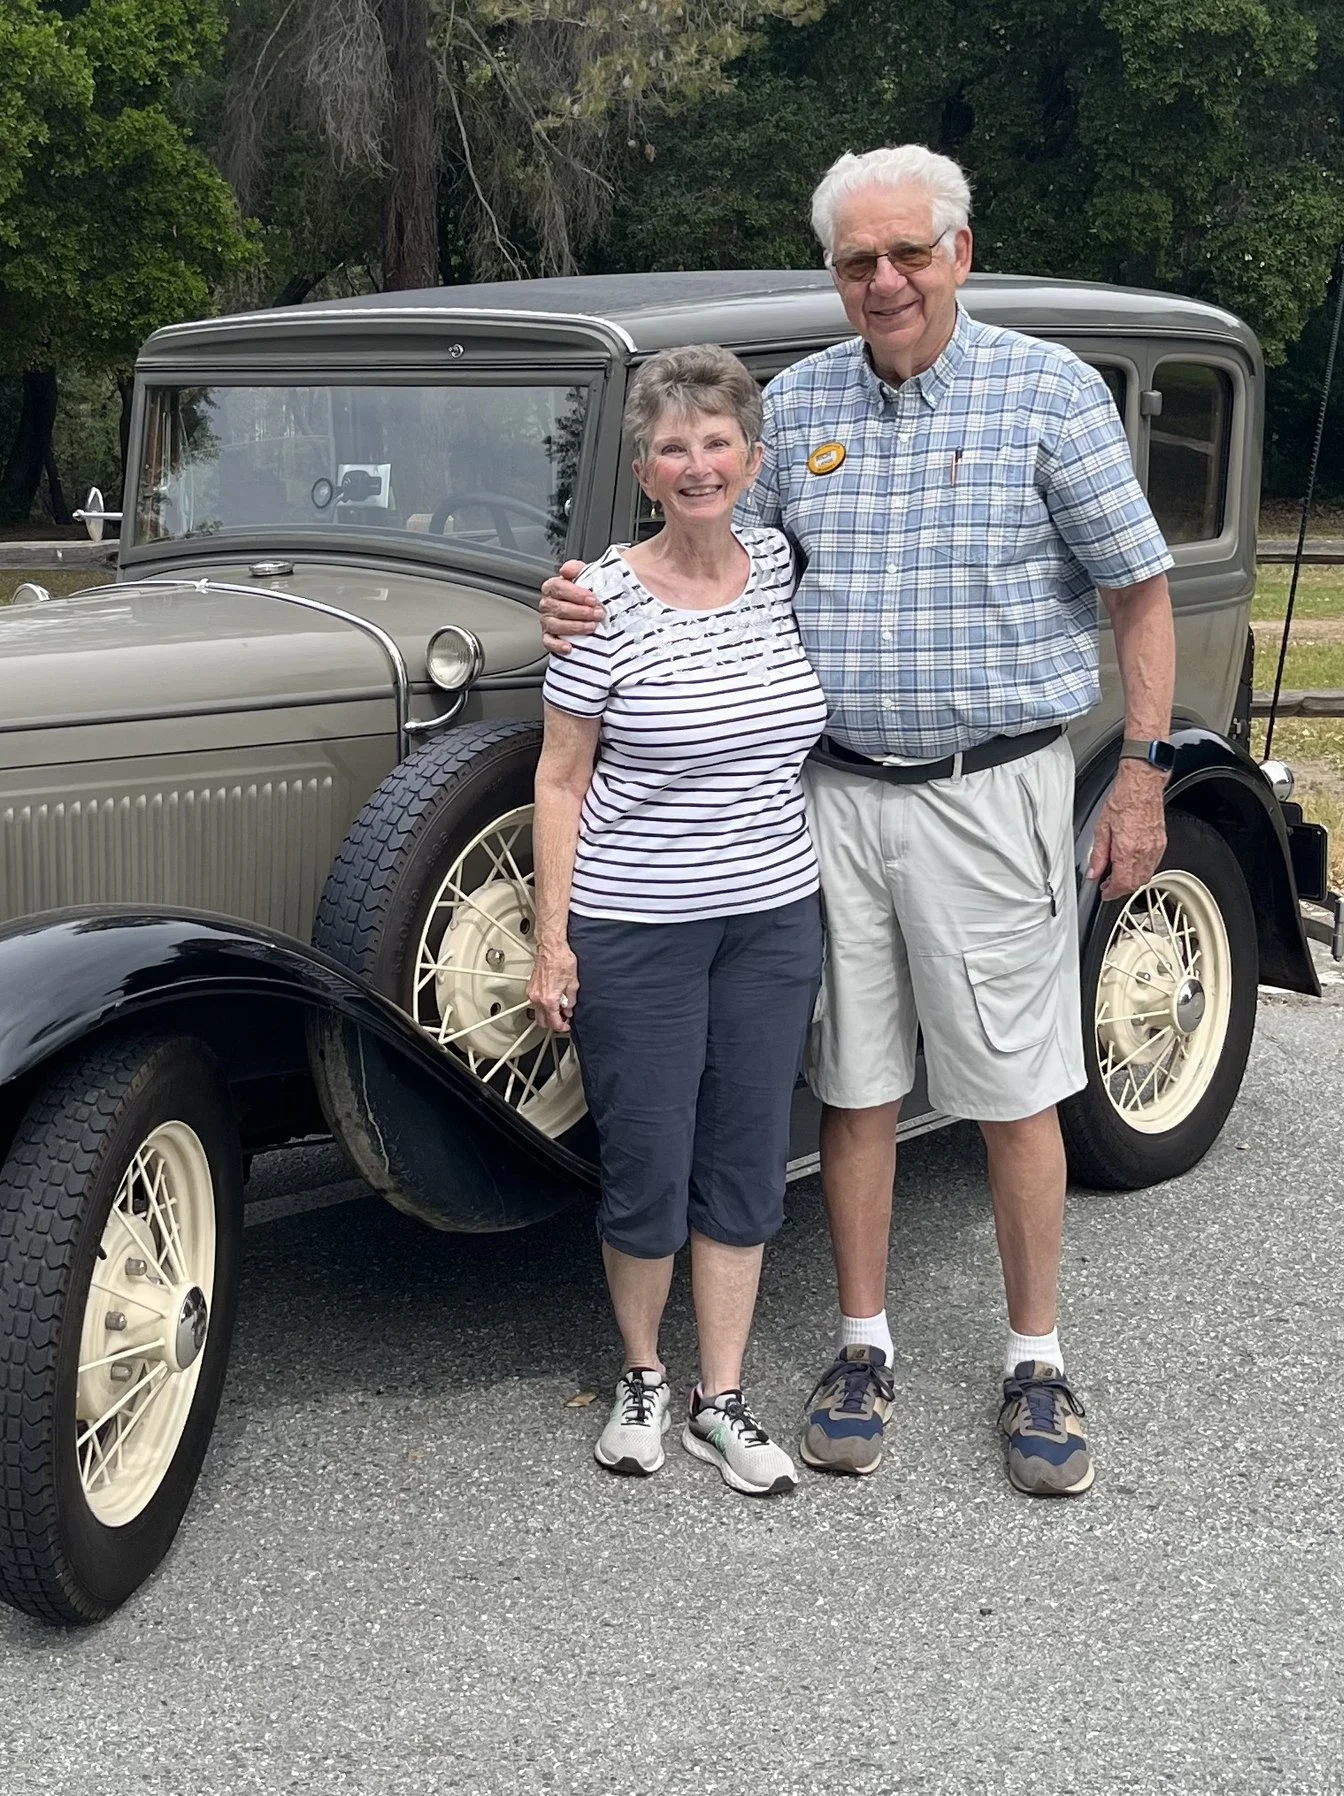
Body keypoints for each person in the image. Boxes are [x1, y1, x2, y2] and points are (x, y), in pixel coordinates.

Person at [539, 145, 1177, 1498]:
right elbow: (703, 545)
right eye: (854, 262)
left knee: (1013, 1083)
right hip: (827, 798)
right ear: (832, 273)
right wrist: (580, 596)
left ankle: (1035, 1360)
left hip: (989, 786)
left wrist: (1139, 775)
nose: (883, 281)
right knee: (857, 1083)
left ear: (959, 251)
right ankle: (861, 1343)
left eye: (907, 254)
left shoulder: (1048, 393)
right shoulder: (802, 409)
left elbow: (1139, 594)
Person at [527, 344, 829, 1498]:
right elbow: (560, 779)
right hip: (637, 923)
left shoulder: (781, 568)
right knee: (646, 1157)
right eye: (672, 447)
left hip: (770, 915)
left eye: (716, 442)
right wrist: (555, 940)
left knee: (748, 1153)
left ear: (749, 458)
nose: (696, 464)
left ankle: (725, 1393)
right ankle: (644, 1373)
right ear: (644, 468)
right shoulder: (595, 599)